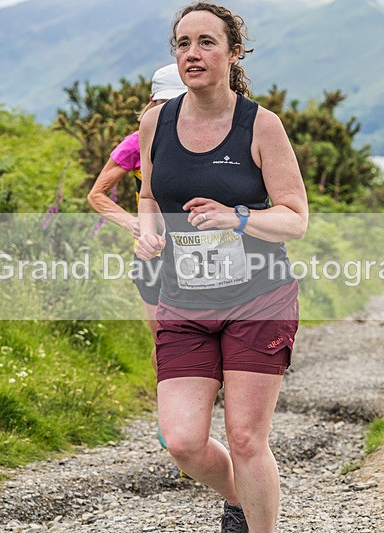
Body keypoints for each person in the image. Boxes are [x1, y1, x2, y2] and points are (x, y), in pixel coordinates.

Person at [135, 3, 307, 531]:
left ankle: (259, 522)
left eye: (207, 42)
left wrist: (237, 217)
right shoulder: (155, 121)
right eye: (184, 43)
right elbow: (147, 193)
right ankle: (244, 499)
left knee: (247, 438)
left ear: (233, 53)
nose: (193, 54)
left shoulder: (262, 126)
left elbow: (295, 219)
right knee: (183, 441)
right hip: (183, 302)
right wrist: (147, 228)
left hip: (259, 299)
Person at [87, 63, 187, 446]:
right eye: (163, 104)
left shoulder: (207, 138)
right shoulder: (135, 143)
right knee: (164, 340)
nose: (169, 112)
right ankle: (171, 417)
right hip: (152, 253)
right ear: (151, 103)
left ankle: (195, 418)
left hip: (200, 253)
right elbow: (97, 194)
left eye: (176, 104)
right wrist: (133, 225)